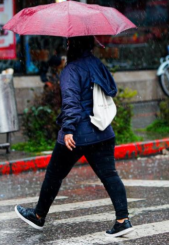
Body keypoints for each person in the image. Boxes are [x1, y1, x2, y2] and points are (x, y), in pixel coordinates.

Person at [15, 36, 134, 237]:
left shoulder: (71, 70)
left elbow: (71, 101)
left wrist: (69, 129)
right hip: (103, 131)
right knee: (110, 175)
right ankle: (123, 220)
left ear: (72, 45)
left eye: (69, 43)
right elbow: (111, 89)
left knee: (54, 174)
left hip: (78, 134)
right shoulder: (97, 64)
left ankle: (38, 215)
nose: (67, 46)